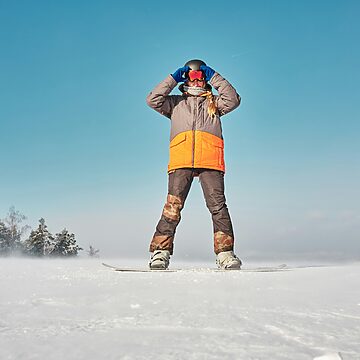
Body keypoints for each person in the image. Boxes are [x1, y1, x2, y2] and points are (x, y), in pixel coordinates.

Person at [146, 59, 241, 270]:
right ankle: (160, 253)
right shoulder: (175, 103)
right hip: (181, 159)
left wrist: (214, 75)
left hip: (210, 160)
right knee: (172, 208)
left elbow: (233, 100)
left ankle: (225, 254)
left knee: (218, 207)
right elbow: (152, 100)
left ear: (206, 79)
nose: (196, 81)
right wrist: (173, 77)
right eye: (191, 76)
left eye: (200, 76)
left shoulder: (214, 103)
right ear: (185, 79)